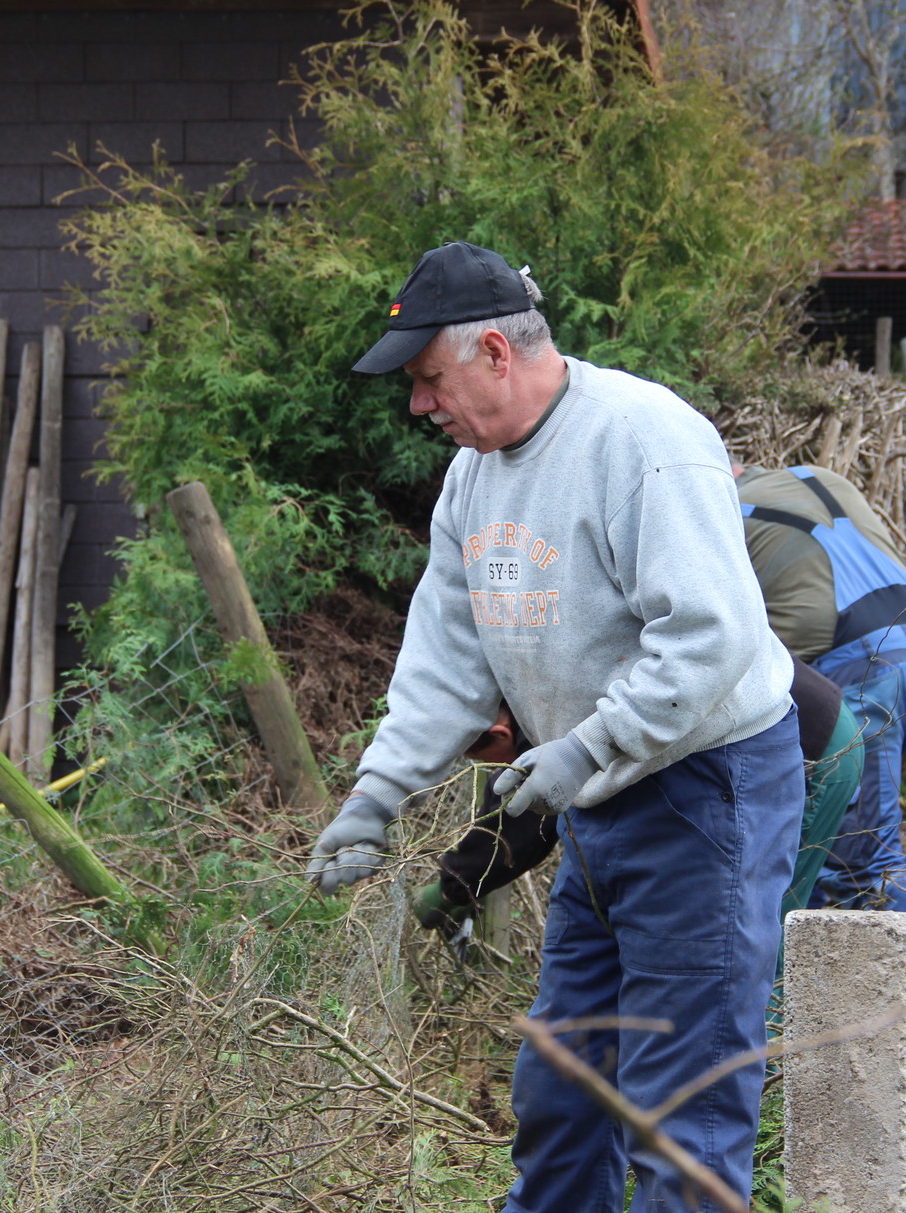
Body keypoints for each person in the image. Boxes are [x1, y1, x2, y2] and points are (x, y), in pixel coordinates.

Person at [305, 241, 805, 1213]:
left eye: (425, 378)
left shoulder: (640, 441)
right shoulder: (471, 479)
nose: (418, 405)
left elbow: (711, 634)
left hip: (705, 791)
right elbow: (444, 659)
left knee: (682, 1100)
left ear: (494, 350)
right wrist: (377, 792)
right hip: (597, 804)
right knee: (561, 1083)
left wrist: (584, 744)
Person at [410, 659, 862, 943]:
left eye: (482, 757)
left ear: (500, 732)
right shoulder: (540, 684)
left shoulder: (550, 713)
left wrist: (449, 889)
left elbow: (521, 826)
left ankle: (767, 1074)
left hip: (813, 744)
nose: (493, 772)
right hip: (776, 727)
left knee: (752, 927)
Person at [733, 462, 906, 993]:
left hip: (861, 669)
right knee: (844, 839)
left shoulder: (721, 510)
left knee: (859, 850)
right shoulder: (815, 476)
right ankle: (855, 988)